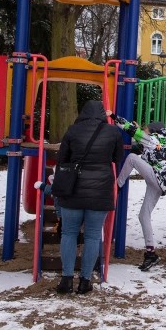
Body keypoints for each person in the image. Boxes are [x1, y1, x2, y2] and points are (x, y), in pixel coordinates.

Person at [55, 100, 124, 295]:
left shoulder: (73, 130)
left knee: (69, 233)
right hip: (100, 191)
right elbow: (117, 158)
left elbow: (62, 159)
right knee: (93, 236)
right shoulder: (112, 132)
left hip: (73, 189)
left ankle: (66, 279)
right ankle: (85, 281)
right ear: (103, 113)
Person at [116, 120, 166, 271]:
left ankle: (117, 184)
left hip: (158, 176)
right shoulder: (163, 141)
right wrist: (138, 132)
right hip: (161, 181)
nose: (143, 129)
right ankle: (151, 254)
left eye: (145, 128)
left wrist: (115, 117)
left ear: (151, 130)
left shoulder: (153, 138)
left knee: (131, 158)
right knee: (144, 215)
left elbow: (133, 132)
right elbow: (144, 144)